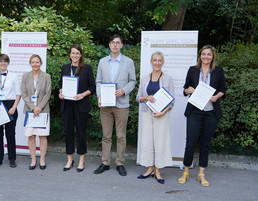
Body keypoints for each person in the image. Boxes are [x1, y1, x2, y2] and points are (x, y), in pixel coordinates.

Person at [178, 45, 227, 187]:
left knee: (205, 144)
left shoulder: (218, 71)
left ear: (213, 57)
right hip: (194, 111)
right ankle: (185, 172)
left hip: (211, 112)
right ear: (200, 55)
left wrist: (216, 96)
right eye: (203, 54)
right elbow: (185, 89)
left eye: (209, 55)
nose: (206, 57)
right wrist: (189, 90)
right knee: (190, 142)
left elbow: (223, 89)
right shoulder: (193, 70)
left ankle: (201, 174)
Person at [94, 34, 136, 176]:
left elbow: (132, 81)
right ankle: (105, 162)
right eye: (113, 42)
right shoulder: (102, 62)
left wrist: (124, 90)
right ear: (109, 45)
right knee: (106, 136)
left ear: (121, 45)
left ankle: (120, 163)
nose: (115, 45)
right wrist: (99, 96)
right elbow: (98, 81)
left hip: (122, 104)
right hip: (105, 105)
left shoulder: (128, 62)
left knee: (121, 136)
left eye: (118, 43)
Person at [136, 51, 174, 184]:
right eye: (155, 60)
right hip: (147, 114)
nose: (157, 63)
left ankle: (158, 170)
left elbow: (171, 101)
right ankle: (149, 168)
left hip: (161, 115)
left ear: (162, 63)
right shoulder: (145, 78)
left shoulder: (168, 78)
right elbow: (138, 97)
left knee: (160, 142)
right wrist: (146, 97)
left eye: (159, 60)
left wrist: (163, 112)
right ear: (151, 62)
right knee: (147, 142)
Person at [59, 44, 95, 172]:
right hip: (67, 105)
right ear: (69, 55)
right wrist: (60, 93)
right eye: (73, 53)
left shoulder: (87, 68)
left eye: (77, 53)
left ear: (81, 55)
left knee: (81, 132)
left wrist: (83, 95)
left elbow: (92, 87)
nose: (75, 55)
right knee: (68, 132)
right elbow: (60, 84)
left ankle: (81, 159)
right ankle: (69, 159)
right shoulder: (65, 68)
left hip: (81, 105)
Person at [0, 54, 21, 168]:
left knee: (10, 134)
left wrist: (14, 107)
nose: (3, 63)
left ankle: (12, 159)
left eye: (5, 61)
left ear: (8, 63)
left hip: (10, 105)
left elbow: (18, 93)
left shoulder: (14, 76)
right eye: (1, 61)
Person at [21, 54, 51, 170]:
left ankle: (42, 159)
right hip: (30, 111)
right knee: (31, 136)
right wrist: (33, 108)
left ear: (41, 63)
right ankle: (33, 159)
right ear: (30, 63)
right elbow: (24, 94)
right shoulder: (25, 76)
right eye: (33, 62)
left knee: (42, 136)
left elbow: (48, 93)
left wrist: (39, 107)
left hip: (43, 111)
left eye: (37, 62)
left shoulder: (46, 76)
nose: (35, 64)